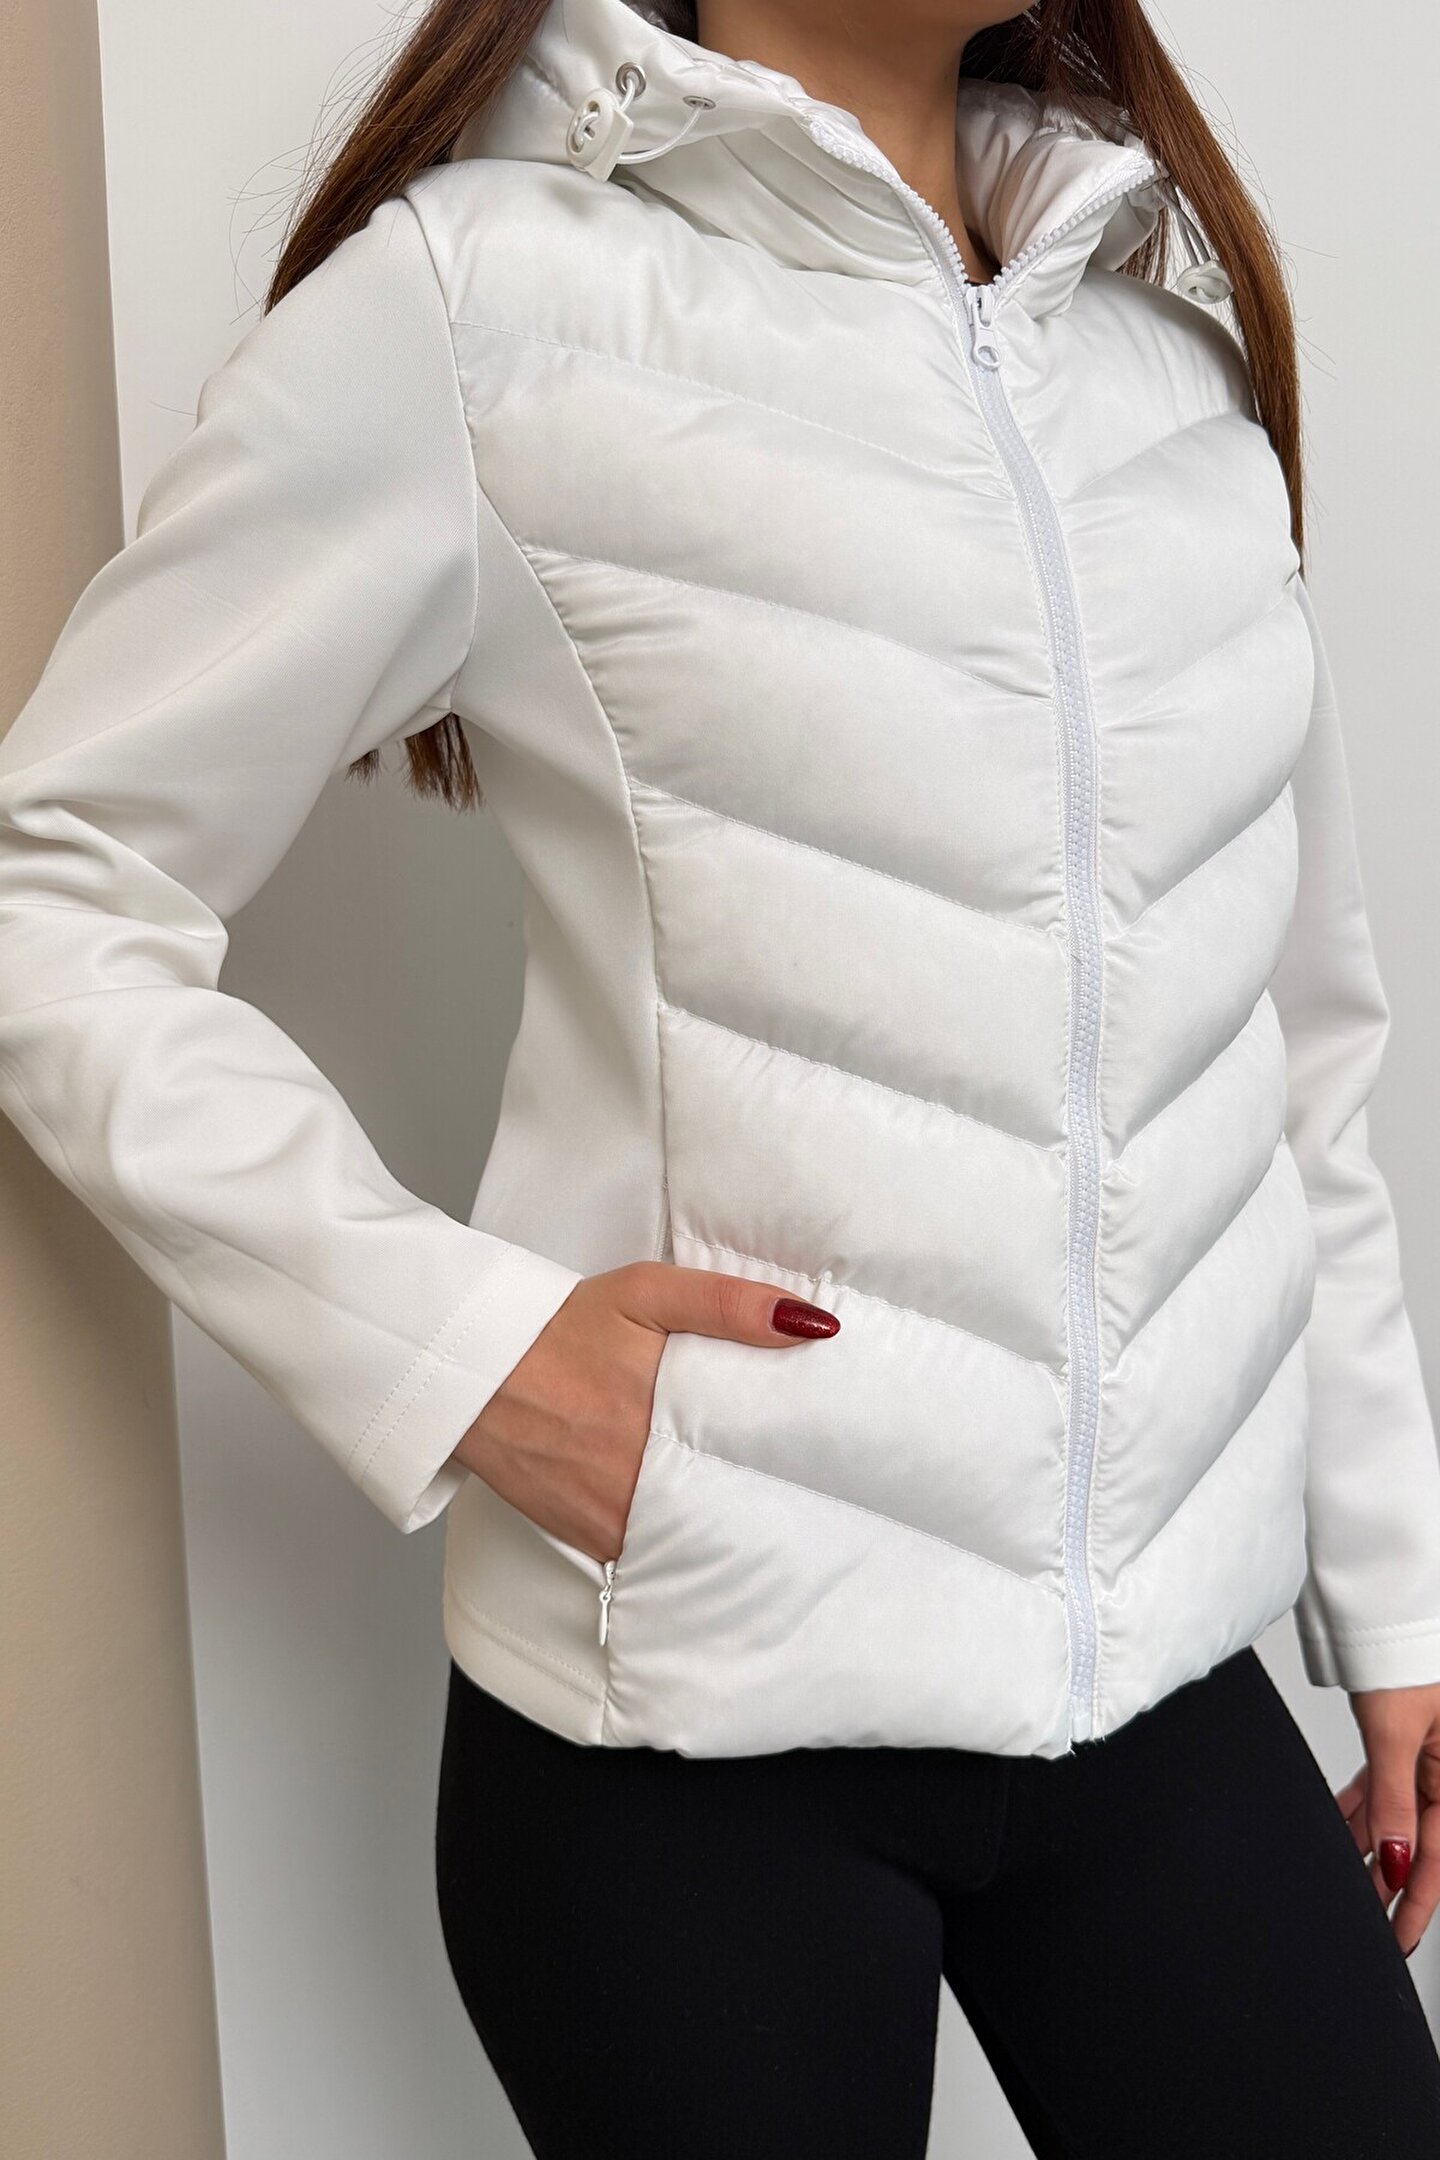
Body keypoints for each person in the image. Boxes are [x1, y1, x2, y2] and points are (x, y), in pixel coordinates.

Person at [3, 0, 1440, 2150]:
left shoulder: (1166, 349)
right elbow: (54, 888)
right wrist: (468, 1353)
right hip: (689, 1730)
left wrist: (1393, 1594)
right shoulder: (490, 305)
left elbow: (1294, 1042)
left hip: (1155, 1671)